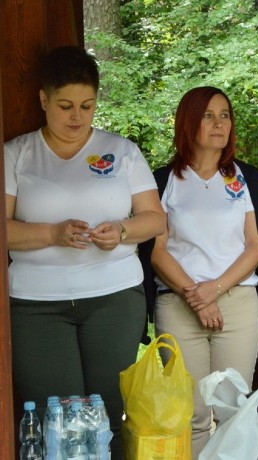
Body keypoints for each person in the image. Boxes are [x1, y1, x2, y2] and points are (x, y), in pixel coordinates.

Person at [4, 46, 166, 455]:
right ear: (43, 100)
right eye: (65, 106)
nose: (77, 117)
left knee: (109, 410)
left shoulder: (122, 151)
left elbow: (155, 219)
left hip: (114, 298)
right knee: (53, 415)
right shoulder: (16, 154)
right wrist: (51, 233)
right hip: (36, 304)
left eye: (87, 106)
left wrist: (123, 230)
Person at [149, 87, 258, 458]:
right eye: (208, 115)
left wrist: (213, 290)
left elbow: (255, 247)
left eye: (225, 115)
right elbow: (157, 250)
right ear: (188, 123)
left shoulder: (244, 178)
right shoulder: (164, 180)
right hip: (179, 306)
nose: (219, 123)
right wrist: (196, 297)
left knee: (234, 412)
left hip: (237, 304)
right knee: (191, 415)